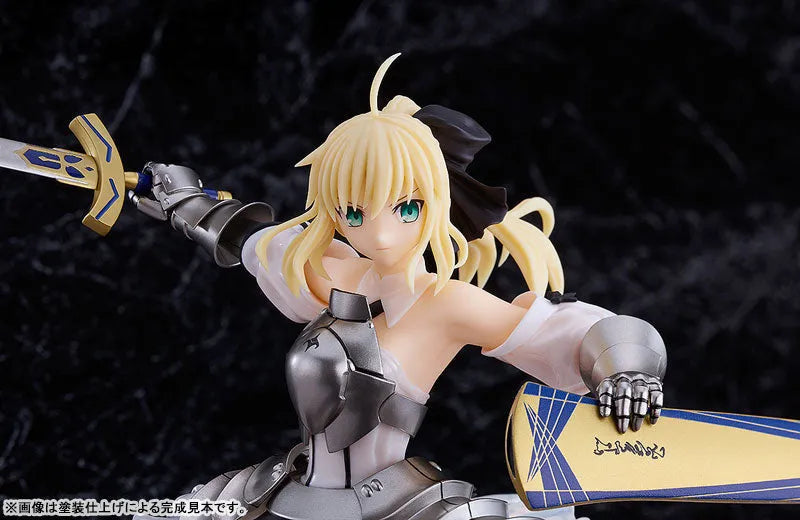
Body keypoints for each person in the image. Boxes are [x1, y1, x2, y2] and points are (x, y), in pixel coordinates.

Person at [129, 54, 667, 520]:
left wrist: (626, 372)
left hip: (396, 504)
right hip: (293, 491)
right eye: (354, 213)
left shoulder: (445, 304)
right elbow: (256, 242)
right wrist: (183, 200)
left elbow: (565, 333)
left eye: (406, 208)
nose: (380, 234)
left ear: (435, 201)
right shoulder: (335, 272)